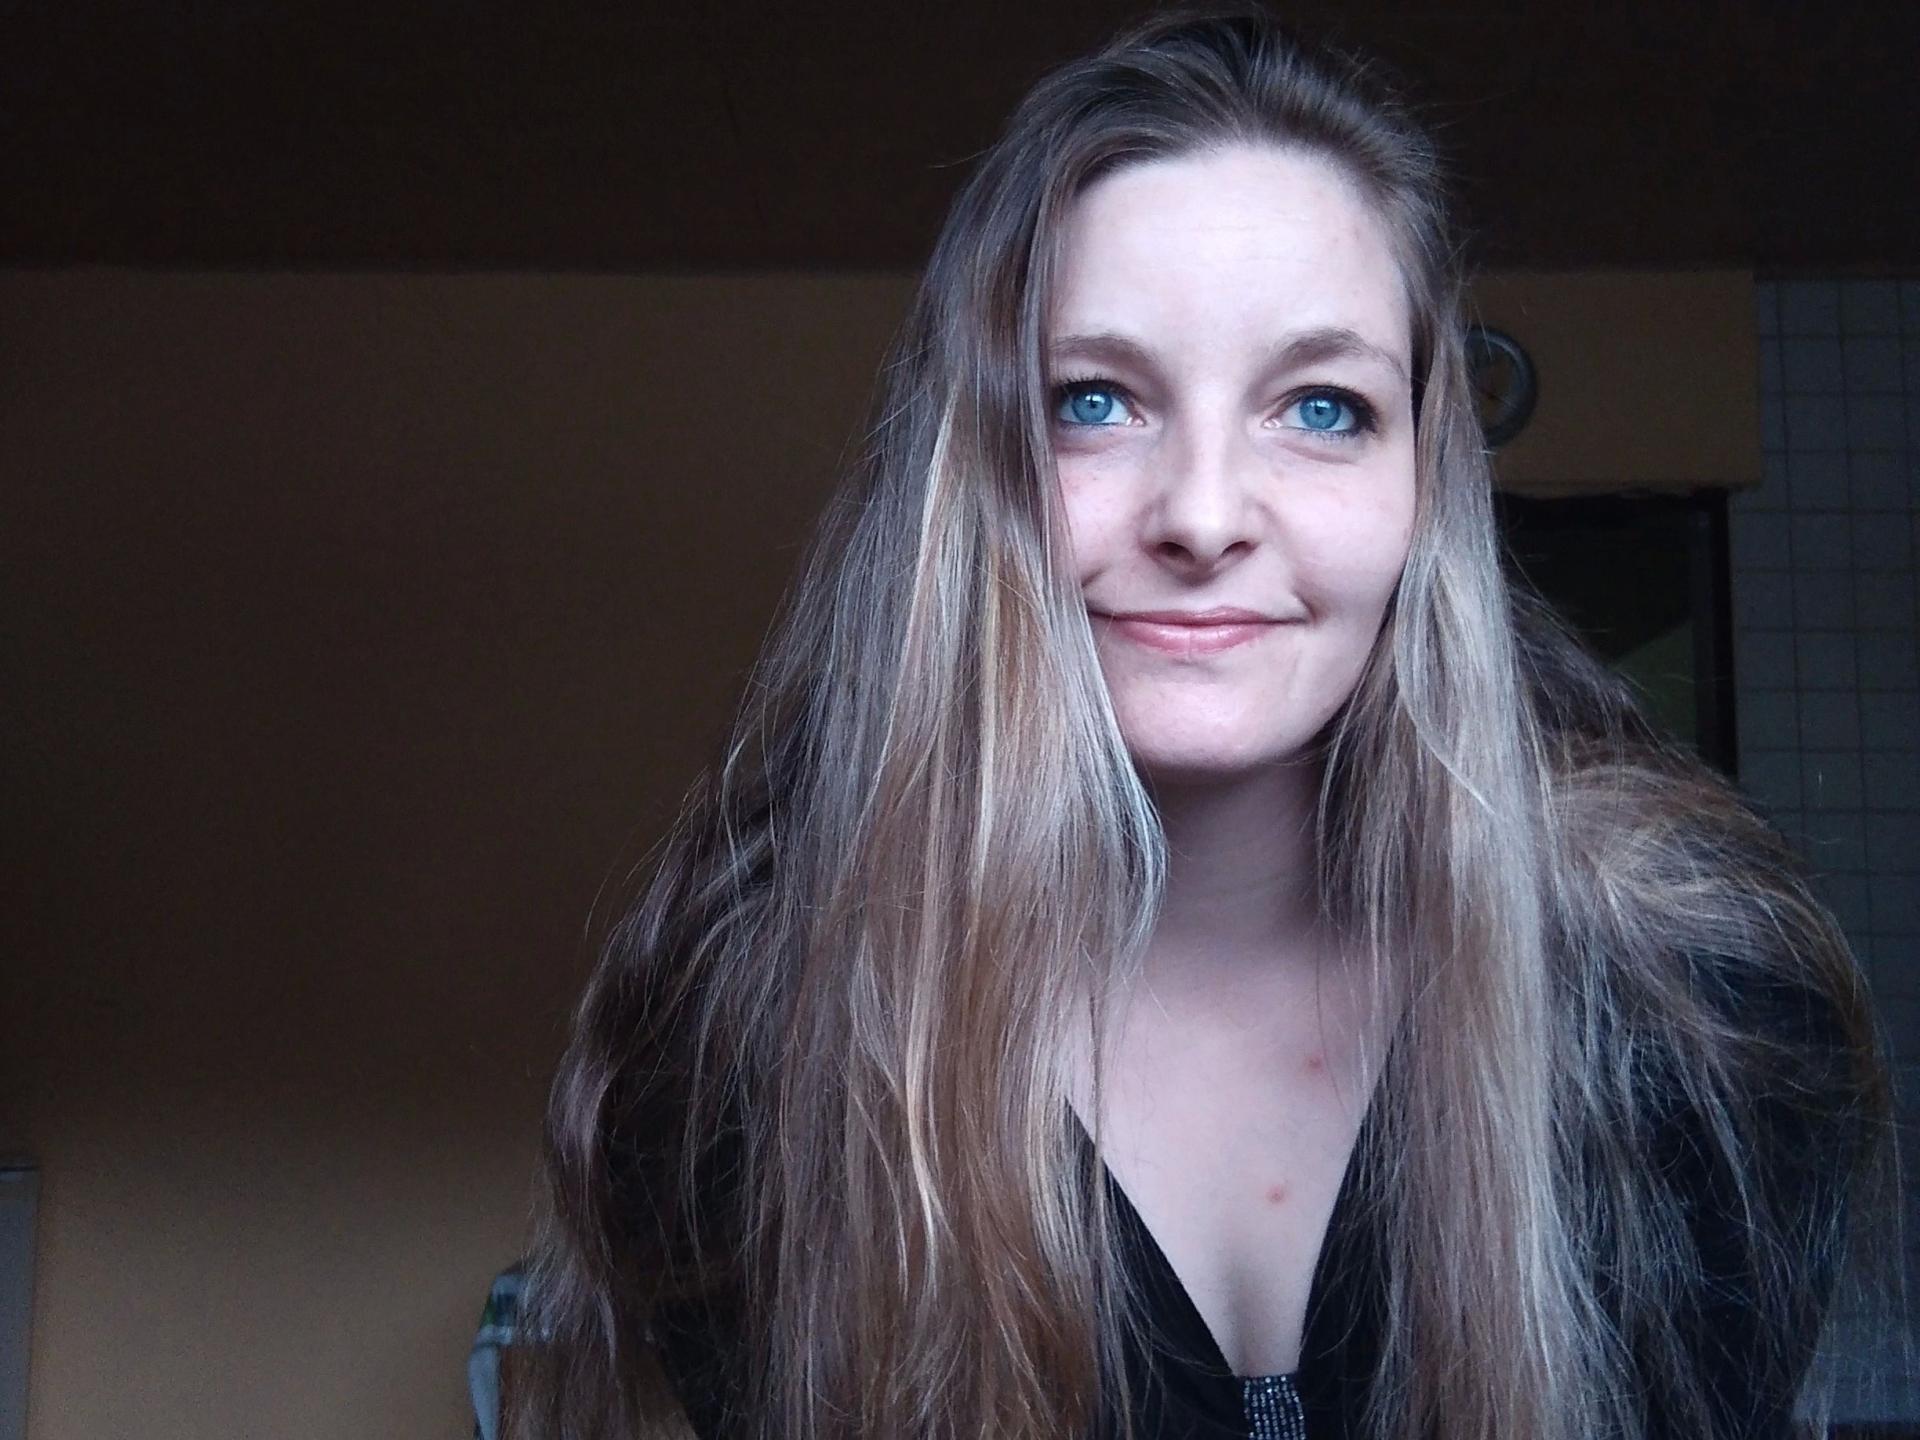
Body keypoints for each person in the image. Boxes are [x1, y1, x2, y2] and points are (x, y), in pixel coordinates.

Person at [512, 6, 1896, 1438]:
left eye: (1321, 408)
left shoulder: (1699, 1023)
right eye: (1094, 401)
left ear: (1426, 484)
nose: (1205, 514)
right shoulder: (753, 1065)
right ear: (970, 472)